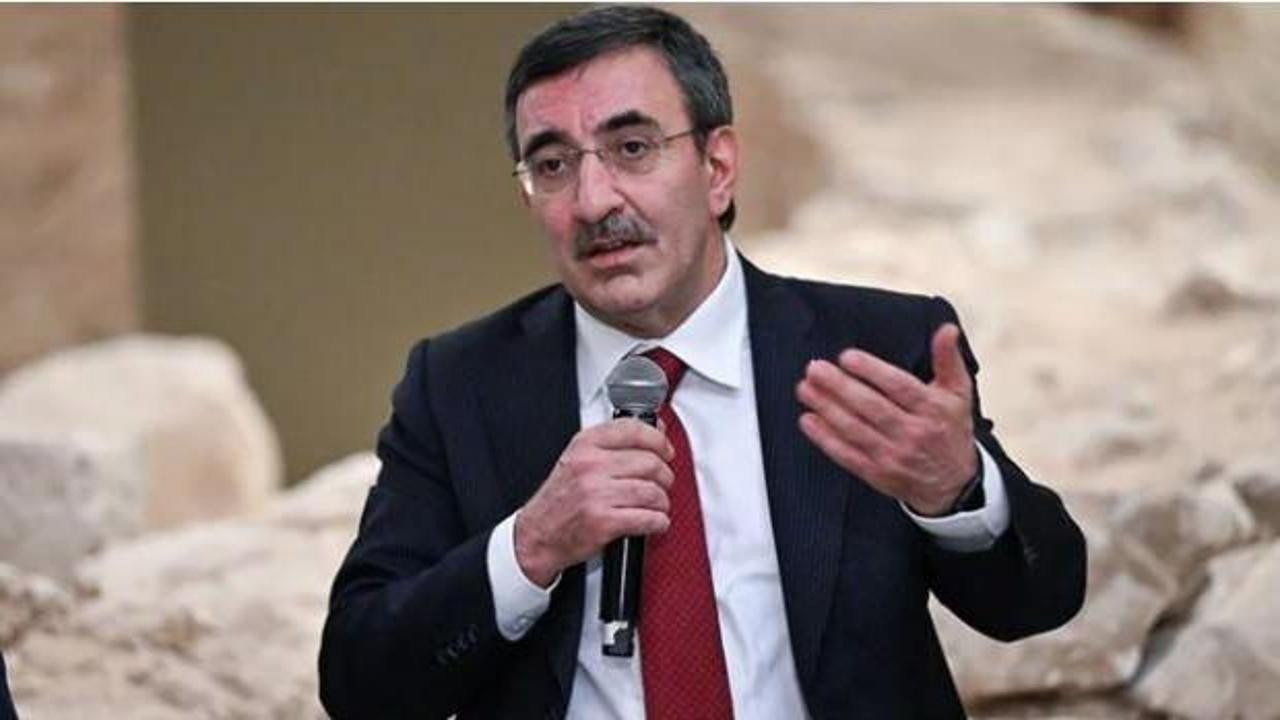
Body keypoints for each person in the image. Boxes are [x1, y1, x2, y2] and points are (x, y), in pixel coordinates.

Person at [318, 6, 1086, 719]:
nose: (593, 201)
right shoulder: (460, 384)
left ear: (717, 169)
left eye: (632, 148)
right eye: (551, 165)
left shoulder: (876, 348)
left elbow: (1040, 600)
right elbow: (360, 682)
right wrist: (531, 547)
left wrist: (957, 491)